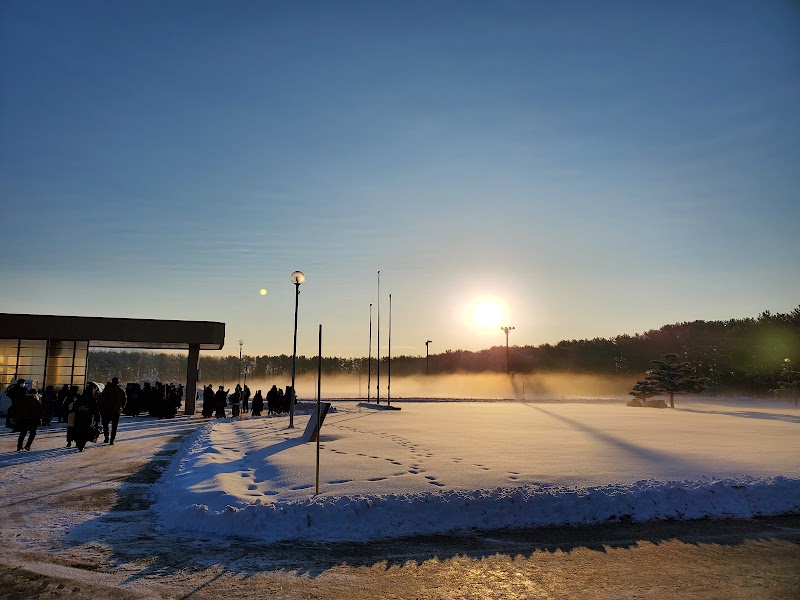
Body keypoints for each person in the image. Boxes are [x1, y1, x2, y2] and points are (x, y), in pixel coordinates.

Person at [15, 387, 45, 451]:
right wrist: (40, 418)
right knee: (32, 434)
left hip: (23, 420)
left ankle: (19, 446)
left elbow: (18, 410)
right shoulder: (35, 401)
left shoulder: (23, 400)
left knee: (22, 433)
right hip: (33, 420)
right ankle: (28, 445)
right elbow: (40, 411)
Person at [99, 377, 126, 445]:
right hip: (116, 411)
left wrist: (101, 408)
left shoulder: (107, 390)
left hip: (106, 410)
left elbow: (101, 399)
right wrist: (121, 408)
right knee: (114, 426)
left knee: (105, 425)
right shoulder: (120, 390)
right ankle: (112, 439)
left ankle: (106, 437)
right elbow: (125, 400)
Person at [73, 385, 101, 452]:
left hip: (78, 417)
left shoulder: (80, 398)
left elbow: (75, 407)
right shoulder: (93, 400)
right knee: (85, 431)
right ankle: (81, 445)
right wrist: (97, 419)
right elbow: (96, 410)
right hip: (88, 418)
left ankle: (78, 443)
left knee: (78, 430)